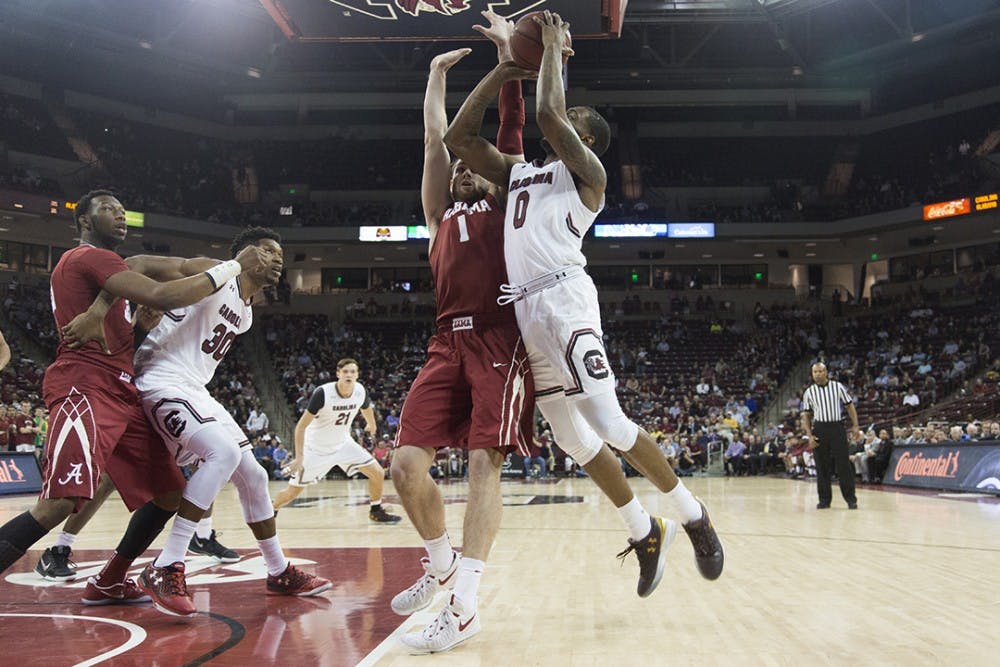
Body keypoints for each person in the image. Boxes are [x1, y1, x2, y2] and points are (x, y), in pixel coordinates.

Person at [445, 6, 722, 611]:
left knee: (611, 424)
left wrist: (548, 50)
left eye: (572, 122)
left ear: (586, 139)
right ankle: (643, 532)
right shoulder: (519, 172)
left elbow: (548, 112)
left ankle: (692, 514)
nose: (558, 122)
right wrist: (504, 70)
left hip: (566, 301)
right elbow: (457, 140)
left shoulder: (588, 176)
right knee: (571, 440)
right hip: (525, 312)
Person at [0, 189, 267, 600]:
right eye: (109, 209)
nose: (121, 215)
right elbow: (164, 294)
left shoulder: (105, 267)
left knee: (169, 494)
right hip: (85, 384)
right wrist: (234, 265)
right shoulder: (88, 256)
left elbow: (126, 331)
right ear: (84, 220)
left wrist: (138, 327)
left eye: (123, 209)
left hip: (121, 388)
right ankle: (61, 548)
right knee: (60, 502)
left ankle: (109, 580)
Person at [69, 225, 330, 617]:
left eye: (280, 254)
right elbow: (137, 263)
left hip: (193, 388)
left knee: (255, 475)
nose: (277, 259)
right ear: (245, 254)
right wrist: (102, 310)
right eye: (267, 251)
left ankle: (278, 571)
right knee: (222, 454)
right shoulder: (214, 270)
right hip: (158, 379)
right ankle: (167, 564)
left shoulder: (247, 312)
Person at [388, 11, 535, 654]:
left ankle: (465, 604)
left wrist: (507, 61)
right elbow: (433, 142)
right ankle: (442, 563)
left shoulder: (506, 201)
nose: (460, 170)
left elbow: (510, 129)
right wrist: (433, 78)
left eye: (467, 166)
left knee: (482, 464)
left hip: (501, 339)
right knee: (404, 465)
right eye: (455, 170)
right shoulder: (437, 218)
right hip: (445, 343)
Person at [271, 357, 401, 524]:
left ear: (357, 375)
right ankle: (271, 509)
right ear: (338, 374)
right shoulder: (323, 393)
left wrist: (372, 424)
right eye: (345, 371)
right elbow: (300, 427)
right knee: (292, 493)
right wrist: (299, 458)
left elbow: (366, 407)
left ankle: (376, 511)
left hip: (343, 444)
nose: (349, 375)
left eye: (353, 372)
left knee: (377, 472)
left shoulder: (360, 390)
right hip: (316, 450)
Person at [802, 362, 862, 509]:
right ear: (812, 374)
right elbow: (807, 415)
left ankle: (851, 499)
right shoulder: (809, 392)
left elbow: (849, 405)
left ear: (826, 372)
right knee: (822, 466)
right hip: (819, 428)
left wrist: (855, 425)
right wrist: (809, 436)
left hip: (837, 427)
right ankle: (824, 500)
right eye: (815, 372)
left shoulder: (837, 386)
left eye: (820, 371)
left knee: (843, 465)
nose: (817, 374)